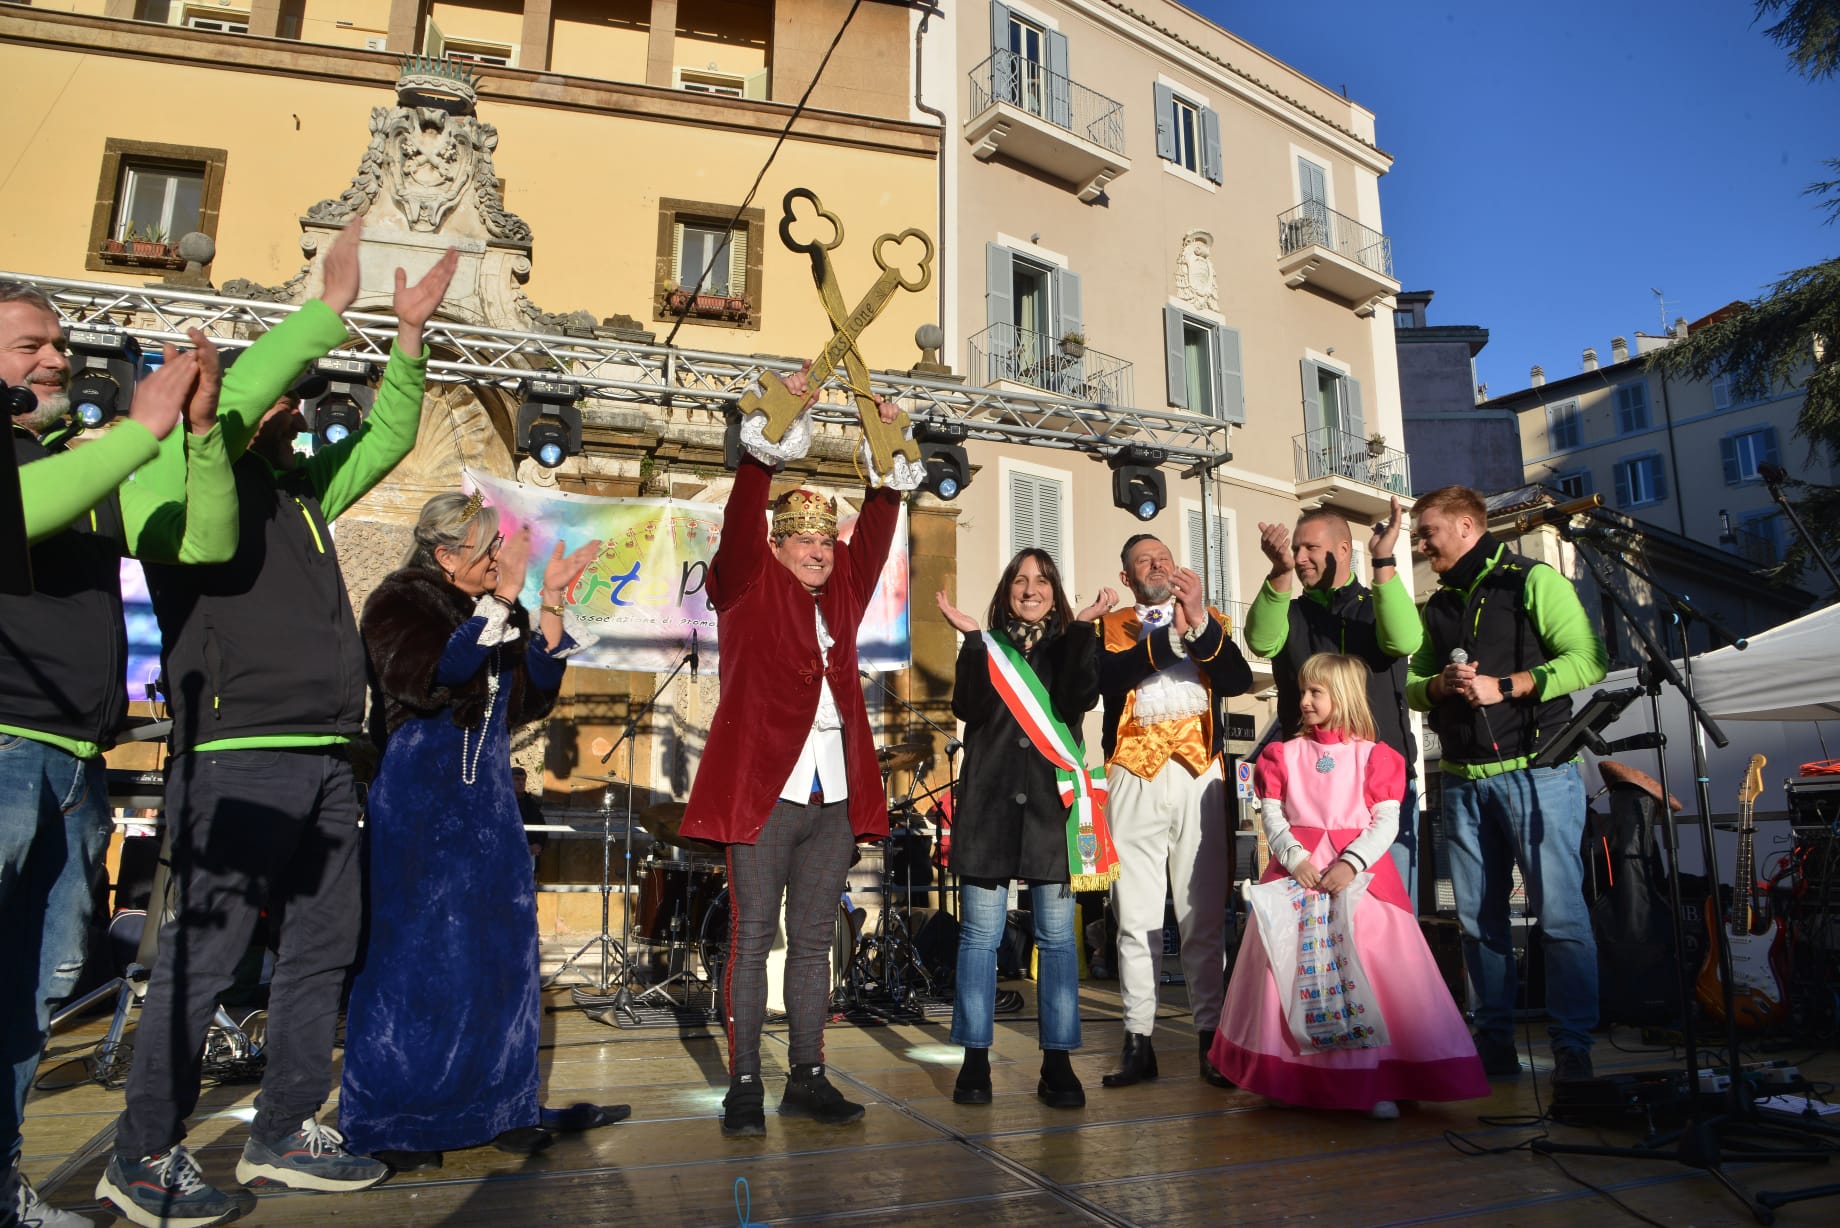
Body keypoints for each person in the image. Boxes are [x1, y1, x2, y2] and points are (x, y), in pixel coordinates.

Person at [96, 223, 457, 1228]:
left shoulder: (296, 491)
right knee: (202, 963)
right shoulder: (171, 480)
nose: (295, 410)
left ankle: (284, 1128)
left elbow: (385, 439)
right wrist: (320, 314)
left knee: (321, 948)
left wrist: (409, 341)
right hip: (239, 755)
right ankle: (142, 1153)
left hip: (327, 755)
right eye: (278, 398)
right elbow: (235, 424)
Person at [3, 280, 235, 1228]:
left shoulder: (80, 464)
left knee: (27, 1000)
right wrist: (139, 433)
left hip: (69, 759)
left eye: (59, 343)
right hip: (6, 747)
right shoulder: (43, 468)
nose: (57, 359)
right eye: (29, 346)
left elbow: (207, 541)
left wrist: (204, 431)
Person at [680, 367, 921, 1137]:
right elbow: (743, 516)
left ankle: (808, 1074)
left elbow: (879, 526)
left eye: (826, 540)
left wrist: (887, 451)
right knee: (755, 938)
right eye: (804, 541)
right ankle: (745, 1082)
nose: (818, 552)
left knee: (816, 941)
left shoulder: (844, 594)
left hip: (834, 795)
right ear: (777, 547)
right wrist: (765, 451)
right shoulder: (747, 582)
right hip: (765, 789)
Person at [338, 494, 603, 1169]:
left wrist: (549, 606)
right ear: (446, 553)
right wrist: (505, 597)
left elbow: (528, 698)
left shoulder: (493, 610)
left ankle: (500, 1105)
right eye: (485, 550)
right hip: (422, 804)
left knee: (502, 957)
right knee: (417, 964)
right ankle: (402, 1118)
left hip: (486, 804)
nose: (494, 560)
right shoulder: (400, 602)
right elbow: (434, 678)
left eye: (497, 550)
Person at [1209, 653, 1489, 1117]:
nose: (1304, 700)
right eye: (1302, 691)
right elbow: (1273, 813)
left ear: (1342, 696)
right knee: (1287, 972)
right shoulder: (1283, 754)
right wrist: (1295, 857)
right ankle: (1291, 1076)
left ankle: (1376, 1079)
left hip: (1357, 882)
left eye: (1315, 692)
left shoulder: (1376, 756)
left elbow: (1385, 821)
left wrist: (1351, 863)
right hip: (1297, 877)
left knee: (1368, 971)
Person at [1405, 485, 1608, 1082]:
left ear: (1466, 526)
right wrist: (1441, 685)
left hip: (1538, 771)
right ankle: (1492, 1042)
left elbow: (1588, 659)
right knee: (1476, 921)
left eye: (1428, 533)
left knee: (1561, 915)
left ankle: (1572, 1046)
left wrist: (1509, 684)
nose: (1421, 544)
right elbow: (1414, 685)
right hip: (1463, 782)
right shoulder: (1437, 605)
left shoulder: (1532, 580)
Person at [935, 549, 1115, 1110]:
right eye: (1020, 580)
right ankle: (975, 1060)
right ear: (1006, 590)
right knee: (979, 939)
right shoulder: (988, 648)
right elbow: (966, 705)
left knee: (1058, 941)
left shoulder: (1070, 646)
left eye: (1041, 580)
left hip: (1049, 815)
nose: (1030, 588)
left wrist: (1083, 628)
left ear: (1054, 590)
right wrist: (970, 638)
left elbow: (1077, 698)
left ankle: (1057, 1063)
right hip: (988, 813)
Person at [1095, 534, 1253, 1089]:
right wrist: (1169, 639)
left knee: (1203, 916)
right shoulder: (1109, 625)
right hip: (1131, 774)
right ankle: (1139, 1042)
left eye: (1163, 556)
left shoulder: (1209, 619)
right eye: (1144, 559)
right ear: (1127, 574)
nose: (1158, 564)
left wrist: (1199, 626)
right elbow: (1105, 681)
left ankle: (1213, 1040)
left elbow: (1235, 680)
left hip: (1199, 775)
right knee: (1134, 919)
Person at [1246, 497, 1424, 907]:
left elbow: (1405, 640)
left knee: (1385, 917)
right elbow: (1259, 640)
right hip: (1307, 794)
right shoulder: (1289, 611)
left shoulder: (1377, 603)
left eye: (1310, 547)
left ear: (1343, 550)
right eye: (1295, 548)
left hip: (1379, 787)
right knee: (1311, 926)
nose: (1300, 556)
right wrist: (1279, 573)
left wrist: (1383, 562)